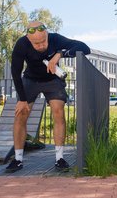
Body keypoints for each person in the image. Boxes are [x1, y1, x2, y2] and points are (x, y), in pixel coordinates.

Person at [6, 21, 90, 173]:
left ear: (47, 34)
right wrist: (22, 100)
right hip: (31, 80)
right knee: (21, 114)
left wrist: (60, 54)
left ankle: (59, 159)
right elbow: (15, 72)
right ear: (28, 39)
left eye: (43, 41)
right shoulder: (22, 44)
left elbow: (85, 48)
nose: (41, 46)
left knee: (58, 111)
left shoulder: (55, 38)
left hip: (53, 80)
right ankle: (18, 159)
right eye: (36, 43)